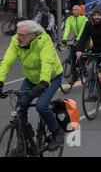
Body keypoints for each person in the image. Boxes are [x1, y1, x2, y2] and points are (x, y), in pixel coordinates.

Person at [0, 20, 65, 151]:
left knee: (41, 106)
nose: (18, 37)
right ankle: (24, 137)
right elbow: (6, 62)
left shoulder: (44, 41)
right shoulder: (16, 42)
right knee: (20, 106)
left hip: (51, 78)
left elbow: (47, 62)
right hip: (31, 78)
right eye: (18, 34)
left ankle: (57, 133)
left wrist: (43, 83)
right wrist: (0, 81)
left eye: (22, 35)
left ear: (33, 36)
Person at [62, 5, 89, 84]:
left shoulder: (84, 19)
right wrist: (64, 39)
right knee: (72, 57)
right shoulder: (69, 19)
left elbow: (82, 31)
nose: (74, 11)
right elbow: (67, 29)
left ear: (80, 11)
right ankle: (74, 75)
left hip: (85, 38)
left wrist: (78, 40)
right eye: (73, 9)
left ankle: (84, 68)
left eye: (76, 10)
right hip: (77, 38)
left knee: (82, 55)